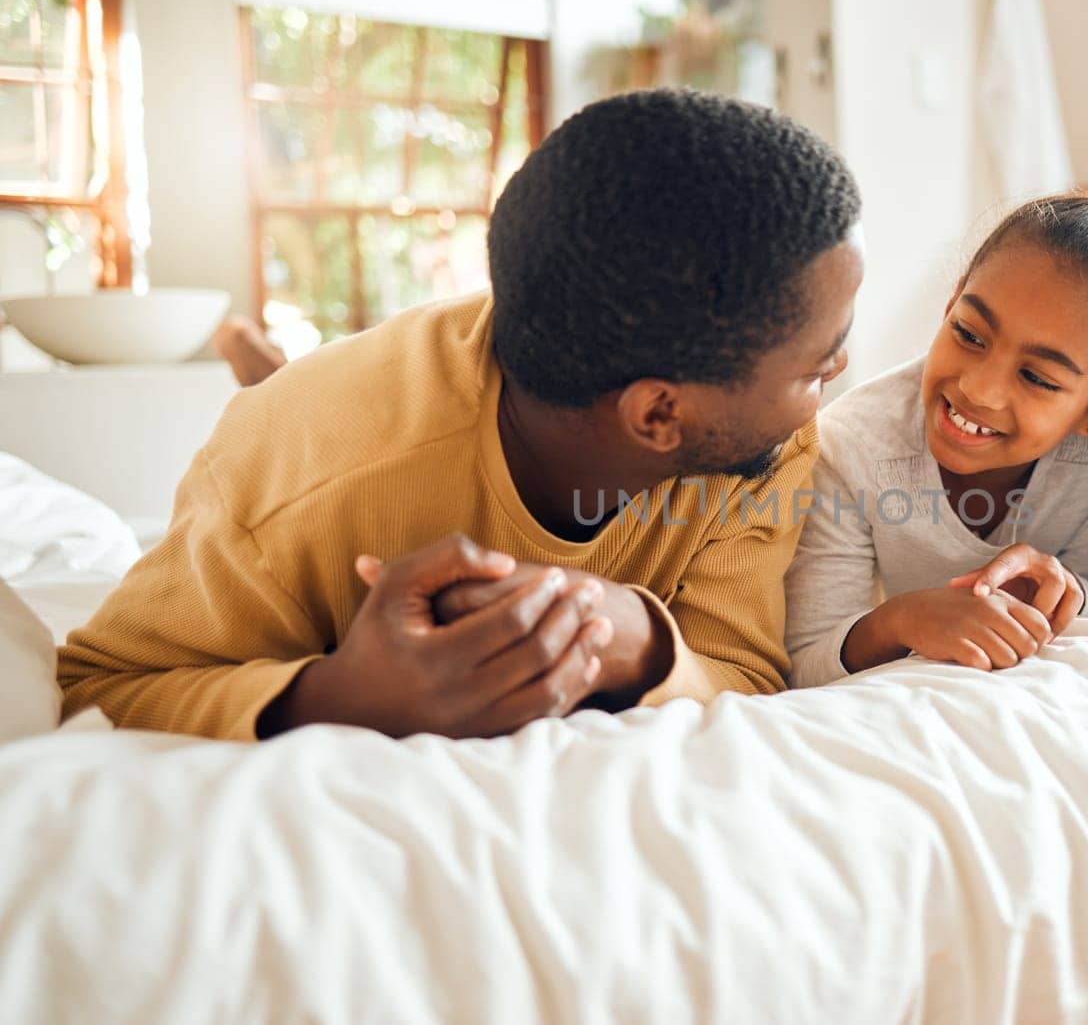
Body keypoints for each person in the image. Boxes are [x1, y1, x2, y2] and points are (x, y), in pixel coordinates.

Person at [58, 88, 863, 740]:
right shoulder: (299, 463)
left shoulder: (765, 441)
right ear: (658, 413)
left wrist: (638, 642)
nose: (839, 372)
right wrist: (337, 694)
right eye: (819, 364)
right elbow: (99, 688)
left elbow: (746, 674)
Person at [784, 177, 1088, 689]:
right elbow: (806, 659)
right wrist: (902, 620)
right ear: (949, 309)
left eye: (1037, 378)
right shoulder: (848, 446)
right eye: (968, 334)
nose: (979, 390)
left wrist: (1068, 591)